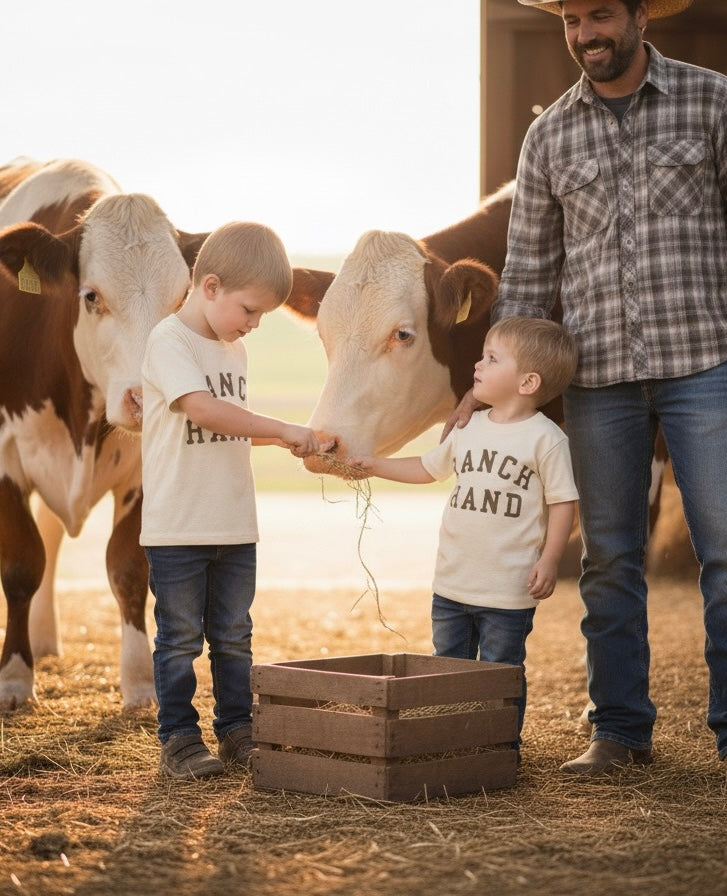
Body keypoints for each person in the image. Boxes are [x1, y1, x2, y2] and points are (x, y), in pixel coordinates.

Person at [450, 0, 727, 796]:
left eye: (600, 15)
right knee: (608, 561)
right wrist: (492, 385)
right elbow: (532, 278)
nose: (584, 35)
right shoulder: (549, 136)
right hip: (598, 381)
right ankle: (619, 730)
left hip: (706, 363)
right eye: (570, 20)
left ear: (640, 15)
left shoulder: (715, 101)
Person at [140, 221, 334, 780]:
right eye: (249, 311)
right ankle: (179, 736)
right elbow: (202, 410)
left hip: (233, 522)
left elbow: (233, 426)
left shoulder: (233, 352)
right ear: (211, 286)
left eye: (260, 318)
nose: (251, 326)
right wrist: (281, 425)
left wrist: (283, 438)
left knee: (233, 634)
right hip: (179, 527)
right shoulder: (169, 341)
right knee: (179, 639)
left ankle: (236, 730)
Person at [348, 317, 579, 749]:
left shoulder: (546, 439)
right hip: (453, 582)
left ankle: (497, 748)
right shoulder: (468, 428)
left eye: (492, 359)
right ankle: (448, 745)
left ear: (528, 381)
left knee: (499, 669)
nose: (478, 364)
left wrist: (549, 560)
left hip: (507, 589)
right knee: (447, 668)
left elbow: (563, 502)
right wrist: (375, 465)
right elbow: (427, 467)